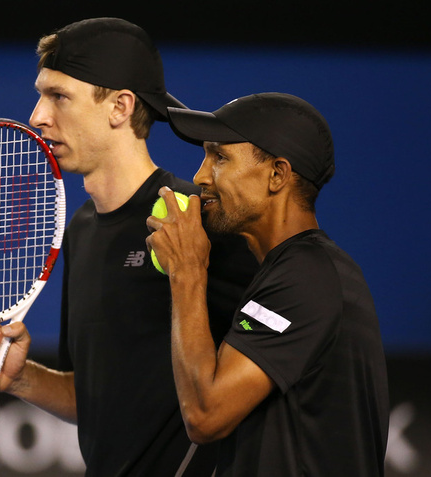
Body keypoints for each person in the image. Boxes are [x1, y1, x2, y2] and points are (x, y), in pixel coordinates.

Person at [0, 18, 258, 476]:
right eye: (40, 94)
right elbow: (88, 396)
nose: (37, 116)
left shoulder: (197, 221)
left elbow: (259, 382)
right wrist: (17, 376)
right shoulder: (82, 229)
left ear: (120, 107)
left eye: (59, 96)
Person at [146, 92, 389, 476]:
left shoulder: (308, 274)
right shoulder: (290, 271)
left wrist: (187, 270)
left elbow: (206, 414)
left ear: (277, 174)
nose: (199, 177)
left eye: (220, 157)